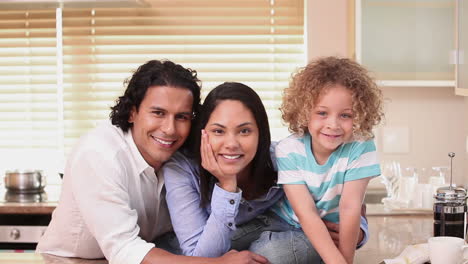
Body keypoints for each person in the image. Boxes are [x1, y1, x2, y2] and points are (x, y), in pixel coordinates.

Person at [36, 60, 267, 264]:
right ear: (132, 112)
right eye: (158, 113)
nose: (169, 129)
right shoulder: (99, 153)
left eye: (181, 117)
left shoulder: (183, 157)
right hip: (70, 260)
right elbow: (125, 249)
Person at [162, 82, 370, 263]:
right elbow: (201, 256)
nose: (231, 144)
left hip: (288, 234)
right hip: (233, 238)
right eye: (218, 131)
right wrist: (227, 184)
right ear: (203, 133)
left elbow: (339, 195)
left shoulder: (282, 157)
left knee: (274, 254)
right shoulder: (182, 170)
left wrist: (359, 232)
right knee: (171, 247)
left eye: (244, 131)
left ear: (260, 134)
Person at [269, 56, 384, 264]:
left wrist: (345, 261)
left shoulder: (361, 146)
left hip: (334, 227)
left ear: (359, 115)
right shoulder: (288, 150)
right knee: (260, 248)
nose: (333, 125)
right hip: (290, 223)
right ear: (304, 113)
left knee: (273, 253)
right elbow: (307, 214)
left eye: (345, 115)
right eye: (322, 113)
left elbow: (350, 208)